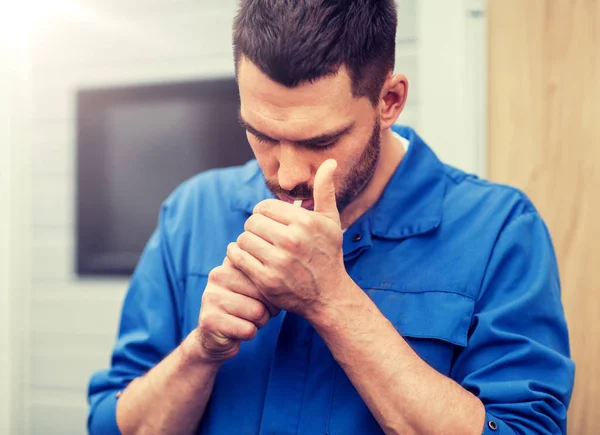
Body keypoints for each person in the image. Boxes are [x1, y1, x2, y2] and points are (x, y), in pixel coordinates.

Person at [87, 0, 575, 433]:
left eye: (319, 142)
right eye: (261, 134)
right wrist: (200, 351)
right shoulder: (192, 213)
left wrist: (333, 303)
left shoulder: (500, 230)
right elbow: (114, 424)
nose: (288, 173)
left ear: (390, 101)